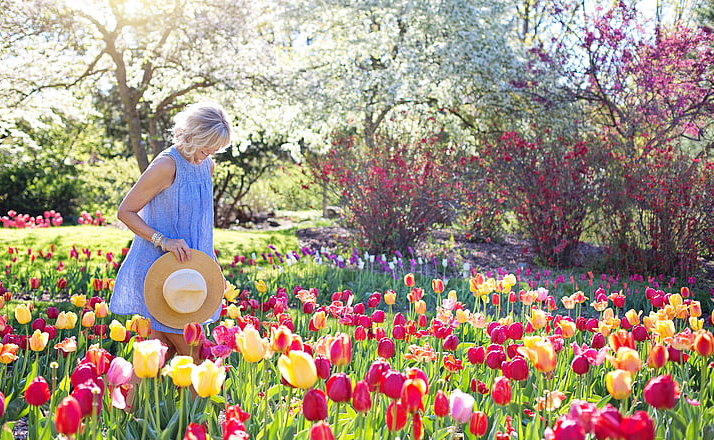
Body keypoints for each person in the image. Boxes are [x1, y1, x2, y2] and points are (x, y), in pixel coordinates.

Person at [109, 102, 232, 361]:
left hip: (192, 273)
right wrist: (162, 240)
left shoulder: (206, 166)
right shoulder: (167, 166)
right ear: (191, 136)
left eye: (214, 150)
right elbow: (126, 211)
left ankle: (124, 402)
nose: (208, 155)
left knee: (158, 355)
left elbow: (200, 225)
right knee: (197, 354)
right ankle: (213, 403)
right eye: (205, 148)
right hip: (164, 273)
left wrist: (213, 266)